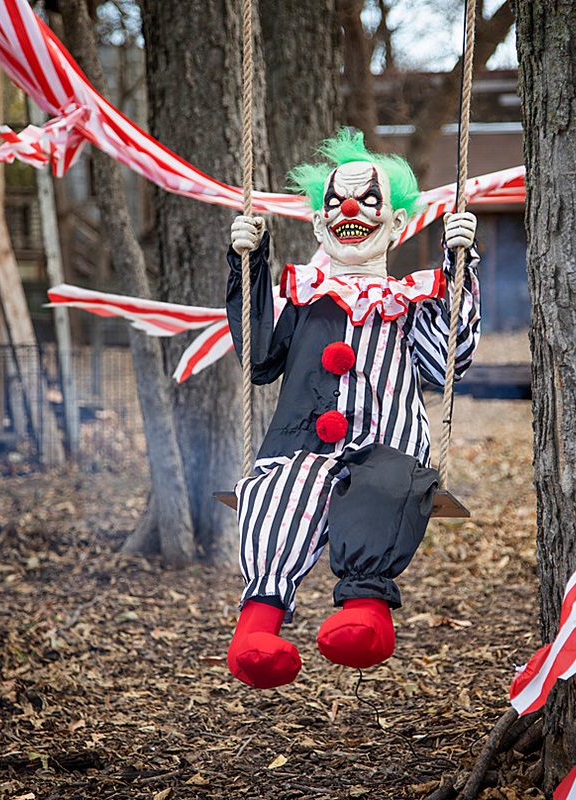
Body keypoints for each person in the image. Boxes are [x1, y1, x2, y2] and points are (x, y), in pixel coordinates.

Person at [225, 129, 480, 689]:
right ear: (318, 225)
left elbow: (448, 363)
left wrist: (461, 269)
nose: (351, 211)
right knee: (277, 493)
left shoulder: (411, 299)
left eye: (370, 203)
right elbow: (260, 358)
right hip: (302, 444)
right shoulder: (302, 295)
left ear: (394, 224)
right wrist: (247, 265)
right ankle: (257, 627)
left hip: (387, 443)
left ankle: (365, 613)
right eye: (338, 203)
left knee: (386, 487)